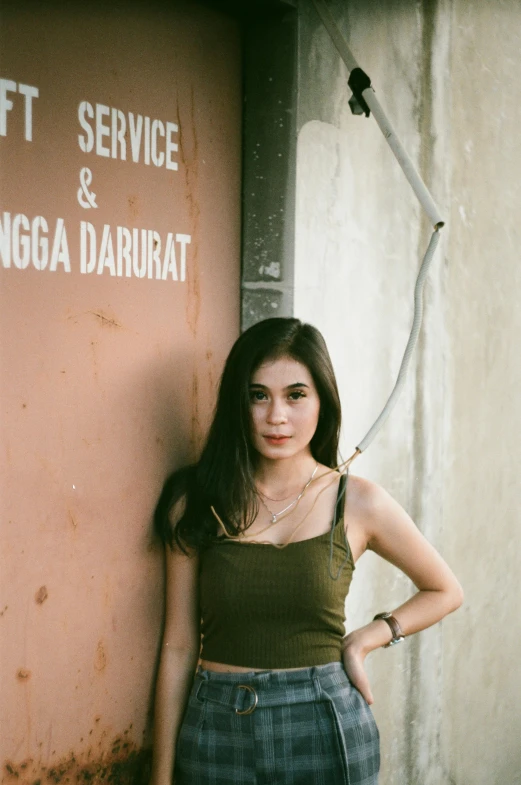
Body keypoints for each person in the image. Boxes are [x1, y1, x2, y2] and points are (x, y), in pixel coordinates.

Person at [150, 317, 463, 785]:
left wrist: (368, 637)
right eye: (259, 395)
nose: (277, 416)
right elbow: (177, 646)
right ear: (238, 403)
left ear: (322, 401)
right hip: (216, 729)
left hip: (324, 722)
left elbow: (444, 589)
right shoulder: (195, 501)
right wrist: (161, 773)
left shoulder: (357, 501)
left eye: (296, 395)